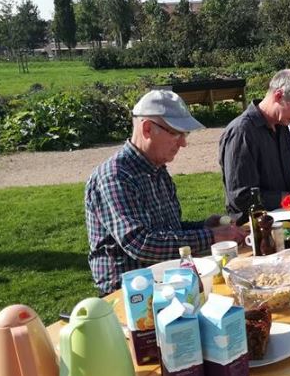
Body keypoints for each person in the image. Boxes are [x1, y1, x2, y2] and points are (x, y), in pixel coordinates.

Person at [85, 90, 246, 296]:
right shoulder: (115, 177)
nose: (183, 143)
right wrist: (210, 236)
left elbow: (168, 229)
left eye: (184, 134)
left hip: (167, 281)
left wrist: (204, 225)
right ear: (147, 129)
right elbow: (141, 243)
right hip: (131, 293)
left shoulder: (157, 169)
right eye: (176, 133)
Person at [219, 69, 290, 222]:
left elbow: (287, 174)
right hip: (255, 229)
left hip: (287, 219)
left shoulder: (281, 125)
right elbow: (242, 198)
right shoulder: (242, 132)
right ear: (278, 96)